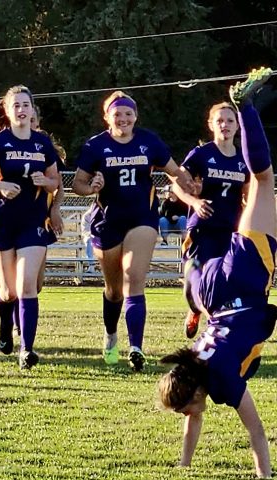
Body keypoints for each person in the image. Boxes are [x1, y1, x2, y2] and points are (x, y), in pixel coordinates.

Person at [158, 67, 275, 480]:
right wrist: (184, 466)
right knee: (195, 278)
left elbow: (257, 431)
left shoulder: (221, 380)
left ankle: (245, 103)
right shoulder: (194, 365)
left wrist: (265, 476)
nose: (187, 415)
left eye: (184, 408)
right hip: (212, 292)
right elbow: (194, 417)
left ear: (193, 394)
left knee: (263, 179)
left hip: (241, 282)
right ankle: (191, 298)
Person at [72, 90, 194, 371]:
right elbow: (78, 184)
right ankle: (112, 335)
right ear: (107, 117)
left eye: (128, 113)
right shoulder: (95, 146)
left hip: (142, 218)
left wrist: (190, 187)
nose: (123, 118)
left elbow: (175, 171)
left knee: (134, 277)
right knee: (114, 290)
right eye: (117, 113)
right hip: (107, 222)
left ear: (136, 116)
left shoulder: (148, 141)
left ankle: (136, 348)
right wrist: (91, 187)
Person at [0, 85, 60, 370]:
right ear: (8, 112)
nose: (21, 110)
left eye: (25, 105)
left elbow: (56, 181)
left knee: (27, 286)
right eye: (16, 105)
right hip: (2, 221)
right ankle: (6, 327)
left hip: (32, 222)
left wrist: (47, 183)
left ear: (32, 109)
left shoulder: (42, 143)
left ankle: (27, 350)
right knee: (8, 291)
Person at [172, 102, 249, 338]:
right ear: (211, 125)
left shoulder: (244, 159)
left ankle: (214, 329)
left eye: (230, 121)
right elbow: (177, 183)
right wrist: (194, 202)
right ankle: (194, 308)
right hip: (202, 228)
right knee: (194, 278)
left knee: (223, 283)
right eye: (220, 121)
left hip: (230, 230)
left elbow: (248, 194)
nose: (225, 125)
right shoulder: (202, 154)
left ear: (237, 126)